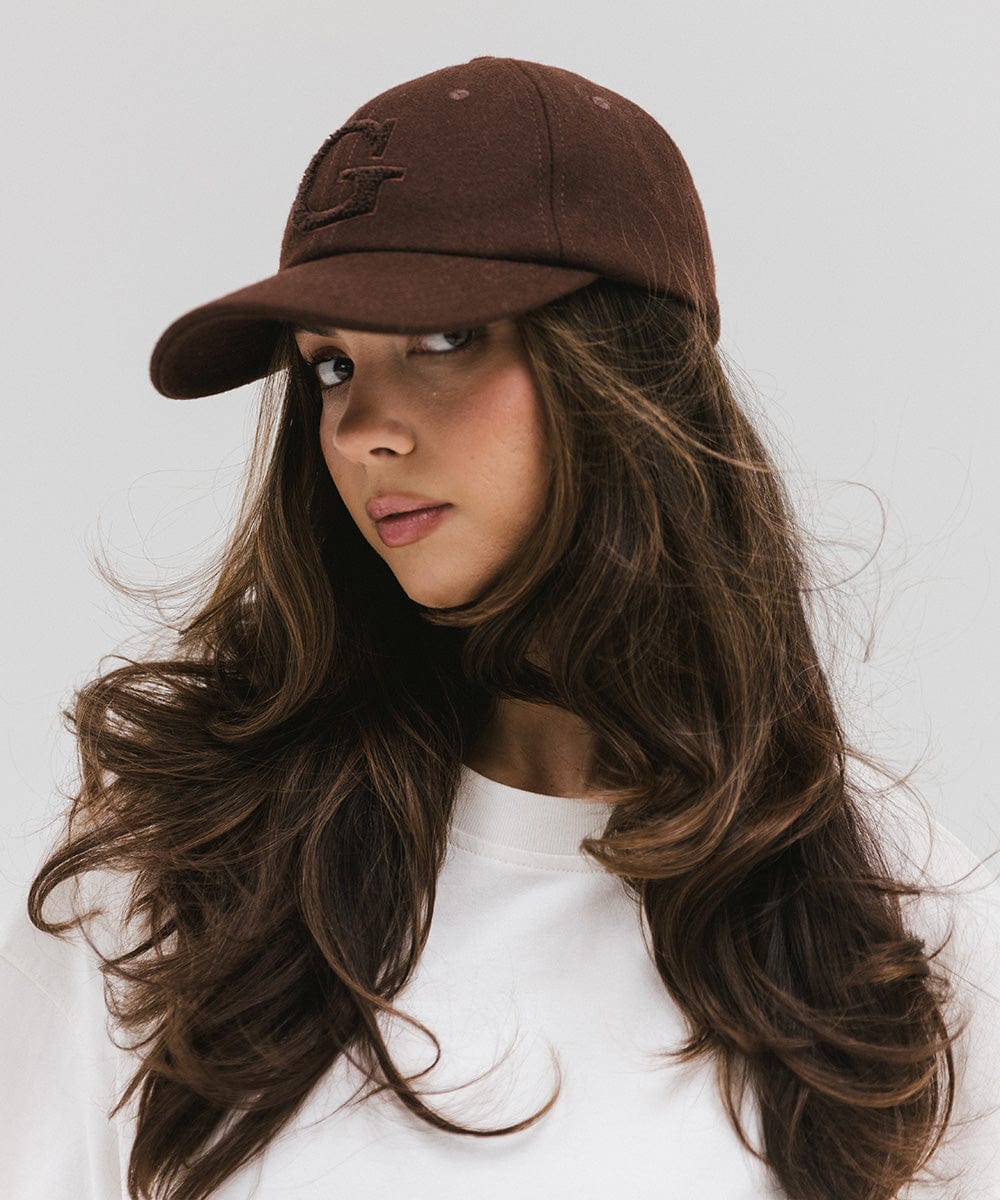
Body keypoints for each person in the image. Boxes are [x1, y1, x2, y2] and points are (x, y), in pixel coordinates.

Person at [2, 54, 998, 1200]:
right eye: (330, 365)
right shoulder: (171, 876)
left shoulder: (893, 924)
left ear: (619, 367)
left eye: (443, 340)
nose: (362, 426)